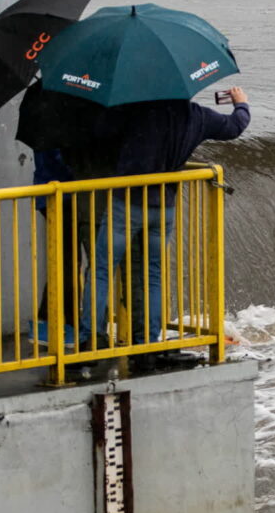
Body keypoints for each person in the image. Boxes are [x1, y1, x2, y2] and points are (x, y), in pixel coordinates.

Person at [79, 86, 251, 371]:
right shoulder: (196, 115)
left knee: (102, 270)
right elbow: (234, 127)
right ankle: (148, 341)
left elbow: (97, 132)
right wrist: (241, 104)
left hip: (127, 202)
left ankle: (92, 340)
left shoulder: (134, 110)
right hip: (164, 206)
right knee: (153, 275)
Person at [29, 148, 83, 348]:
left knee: (63, 258)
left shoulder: (45, 125)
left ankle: (49, 321)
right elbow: (64, 161)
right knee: (68, 260)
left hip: (51, 193)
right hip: (63, 194)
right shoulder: (57, 127)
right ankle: (66, 323)